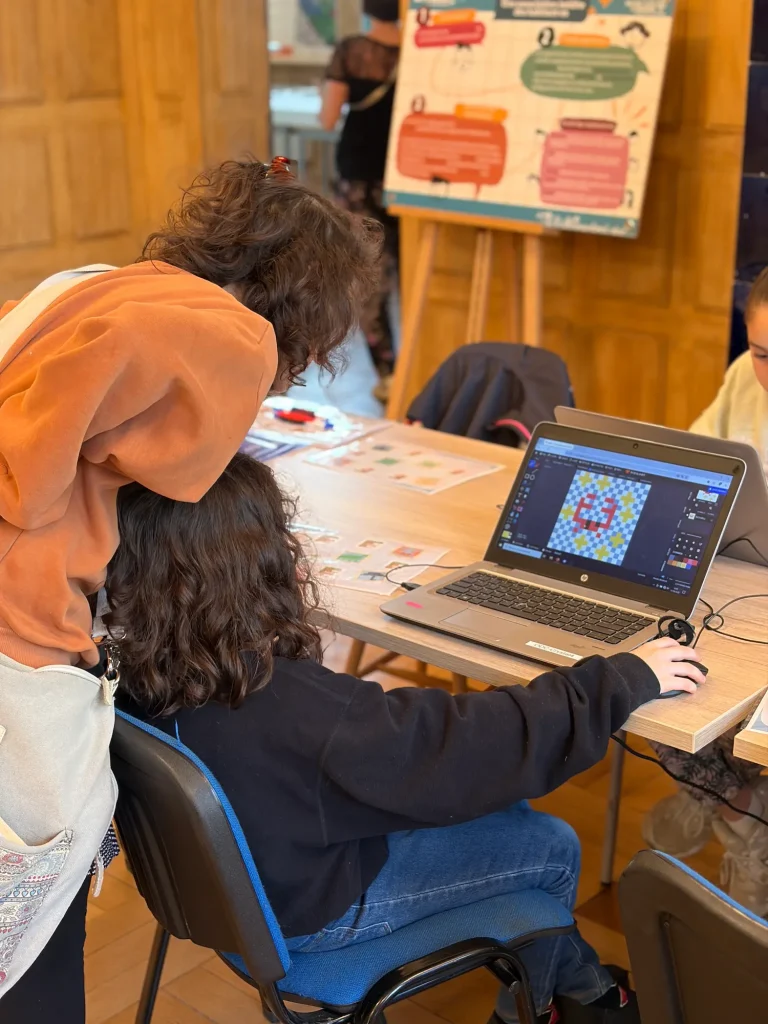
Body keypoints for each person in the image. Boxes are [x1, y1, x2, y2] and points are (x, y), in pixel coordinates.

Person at [98, 455, 704, 1024]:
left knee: (503, 805)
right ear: (259, 564)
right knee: (551, 845)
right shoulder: (301, 713)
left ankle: (586, 985)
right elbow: (463, 746)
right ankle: (538, 1006)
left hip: (237, 889)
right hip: (311, 916)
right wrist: (622, 680)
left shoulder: (127, 670)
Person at [0, 158, 380, 1020]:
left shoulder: (100, 284)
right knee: (32, 943)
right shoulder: (228, 334)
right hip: (20, 650)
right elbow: (168, 481)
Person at [642, 266, 768, 913]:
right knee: (652, 673)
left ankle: (738, 813)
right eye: (763, 352)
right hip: (741, 581)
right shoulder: (744, 376)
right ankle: (737, 809)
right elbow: (697, 461)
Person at [320, 0, 400, 397]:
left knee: (369, 273)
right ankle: (421, 360)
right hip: (407, 176)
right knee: (409, 271)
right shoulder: (419, 53)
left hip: (357, 176)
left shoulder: (351, 51)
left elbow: (328, 119)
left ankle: (389, 371)